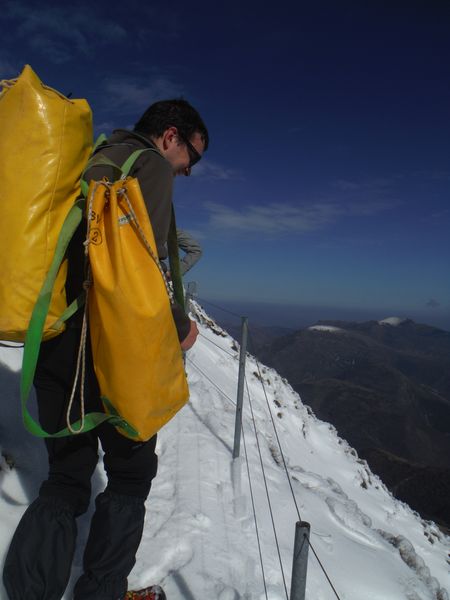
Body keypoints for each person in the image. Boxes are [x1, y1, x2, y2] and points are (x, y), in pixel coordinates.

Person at [3, 99, 209, 600]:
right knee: (130, 477)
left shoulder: (87, 159)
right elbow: (140, 270)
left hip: (56, 338)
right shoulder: (150, 167)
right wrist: (179, 325)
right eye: (193, 157)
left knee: (66, 476)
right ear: (170, 136)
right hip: (109, 349)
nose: (188, 171)